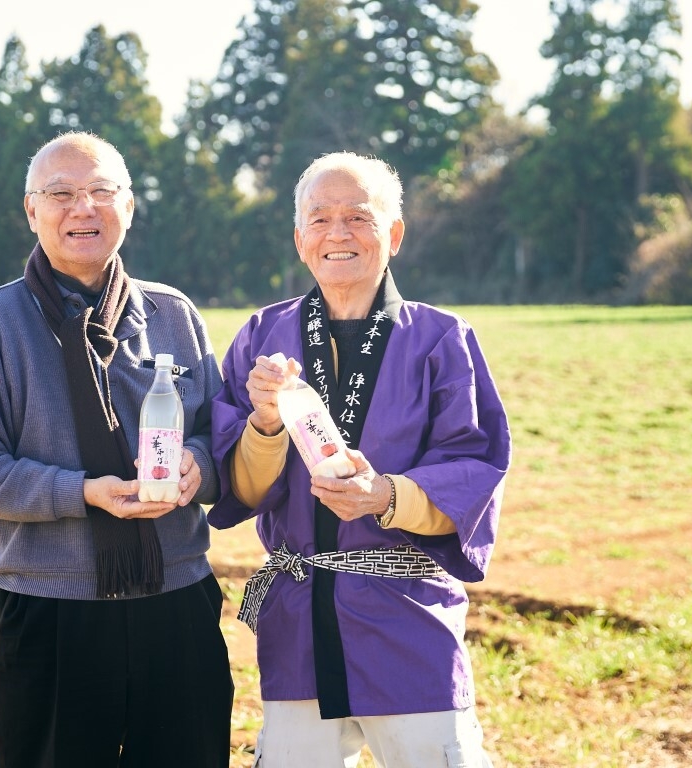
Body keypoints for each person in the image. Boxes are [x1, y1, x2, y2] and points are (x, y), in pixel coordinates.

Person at [0, 131, 233, 768]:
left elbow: (220, 438)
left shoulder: (173, 315)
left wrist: (199, 469)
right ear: (31, 210)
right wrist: (81, 493)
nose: (84, 208)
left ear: (128, 205)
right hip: (48, 607)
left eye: (102, 191)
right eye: (62, 194)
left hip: (174, 598)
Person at [208, 151, 511, 768]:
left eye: (358, 217)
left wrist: (387, 496)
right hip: (298, 619)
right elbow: (238, 487)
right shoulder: (262, 336)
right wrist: (264, 424)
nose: (337, 233)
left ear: (394, 234)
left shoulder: (441, 338)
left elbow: (473, 472)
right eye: (320, 219)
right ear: (300, 239)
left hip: (406, 616)